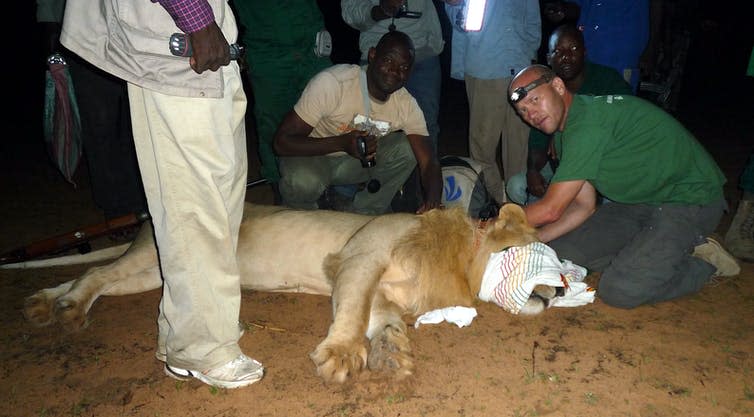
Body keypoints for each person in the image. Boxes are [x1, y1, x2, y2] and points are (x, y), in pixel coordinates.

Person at [60, 0, 264, 388]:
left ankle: (187, 328)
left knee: (223, 194)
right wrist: (198, 20)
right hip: (177, 44)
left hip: (209, 43)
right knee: (193, 203)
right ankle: (202, 347)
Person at [508, 64, 739, 309]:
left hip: (689, 198)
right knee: (558, 252)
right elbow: (583, 206)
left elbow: (551, 210)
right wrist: (536, 238)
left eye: (534, 100)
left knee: (620, 290)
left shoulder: (588, 123)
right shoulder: (566, 133)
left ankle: (702, 262)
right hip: (637, 203)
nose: (530, 114)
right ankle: (650, 252)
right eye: (523, 111)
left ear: (557, 86)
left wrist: (491, 227)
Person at [273, 30, 442, 215]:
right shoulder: (334, 83)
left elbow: (428, 162)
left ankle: (364, 214)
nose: (395, 71)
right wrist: (342, 143)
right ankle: (304, 219)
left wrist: (432, 202)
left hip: (353, 163)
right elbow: (282, 143)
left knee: (407, 149)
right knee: (302, 182)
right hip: (311, 156)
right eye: (388, 60)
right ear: (372, 55)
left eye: (404, 67)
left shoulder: (406, 104)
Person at [36, 0, 147, 225]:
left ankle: (142, 201)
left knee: (136, 125)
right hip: (86, 48)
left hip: (133, 44)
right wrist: (53, 57)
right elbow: (49, 10)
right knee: (100, 128)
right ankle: (116, 208)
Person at [506, 24, 632, 205]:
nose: (566, 57)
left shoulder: (607, 80)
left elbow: (625, 127)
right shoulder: (544, 92)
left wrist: (563, 136)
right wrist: (532, 171)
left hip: (604, 164)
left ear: (585, 52)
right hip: (563, 165)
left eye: (573, 48)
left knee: (609, 199)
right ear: (549, 58)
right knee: (517, 186)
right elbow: (537, 143)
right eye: (558, 51)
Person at [443, 0, 541, 205]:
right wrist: (457, 5)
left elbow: (532, 19)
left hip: (521, 67)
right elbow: (461, 22)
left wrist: (530, 55)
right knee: (483, 147)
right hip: (485, 67)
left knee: (519, 143)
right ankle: (496, 200)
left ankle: (518, 200)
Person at [232, 1, 332, 200]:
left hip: (312, 48)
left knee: (326, 116)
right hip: (268, 54)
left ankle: (329, 185)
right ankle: (281, 188)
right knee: (271, 124)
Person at [342, 0, 443, 150]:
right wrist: (380, 10)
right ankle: (372, 172)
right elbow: (350, 13)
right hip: (379, 55)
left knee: (426, 126)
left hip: (422, 53)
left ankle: (426, 172)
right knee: (370, 127)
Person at [543, 0, 650, 92]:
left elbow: (657, 8)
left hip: (619, 52)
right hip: (588, 50)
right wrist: (562, 10)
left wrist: (651, 47)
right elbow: (577, 6)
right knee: (587, 103)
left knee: (619, 103)